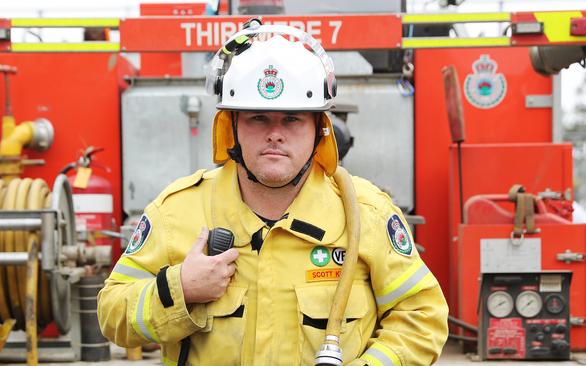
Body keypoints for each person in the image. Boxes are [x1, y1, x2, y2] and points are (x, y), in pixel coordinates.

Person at [98, 24, 448, 366]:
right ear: (231, 127)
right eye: (258, 118)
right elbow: (113, 313)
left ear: (319, 131)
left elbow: (422, 317)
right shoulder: (177, 213)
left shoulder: (365, 213)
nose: (275, 134)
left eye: (293, 119)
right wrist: (180, 289)